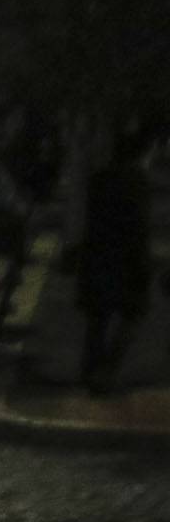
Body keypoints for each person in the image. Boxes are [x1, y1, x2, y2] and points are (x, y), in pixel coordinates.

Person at [78, 127, 153, 395]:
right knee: (133, 314)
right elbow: (139, 227)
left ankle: (90, 370)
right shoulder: (137, 182)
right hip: (125, 260)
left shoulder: (99, 178)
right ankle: (106, 371)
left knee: (98, 318)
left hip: (98, 255)